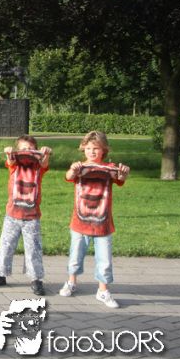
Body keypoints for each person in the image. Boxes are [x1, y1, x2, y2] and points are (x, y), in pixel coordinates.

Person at [60, 131, 130, 308]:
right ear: (83, 149)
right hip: (79, 222)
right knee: (75, 256)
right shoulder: (79, 167)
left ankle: (103, 290)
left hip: (103, 224)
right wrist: (73, 170)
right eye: (89, 148)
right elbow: (68, 176)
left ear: (104, 150)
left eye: (96, 149)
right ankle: (71, 282)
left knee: (104, 260)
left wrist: (123, 174)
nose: (92, 152)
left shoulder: (110, 168)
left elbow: (119, 179)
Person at [0, 135, 52, 296]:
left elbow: (44, 163)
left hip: (32, 217)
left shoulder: (38, 167)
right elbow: (10, 161)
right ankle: (0, 274)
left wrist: (46, 154)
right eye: (23, 149)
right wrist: (9, 153)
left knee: (33, 248)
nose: (27, 152)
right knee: (6, 245)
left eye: (30, 149)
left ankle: (36, 279)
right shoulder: (14, 166)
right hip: (12, 216)